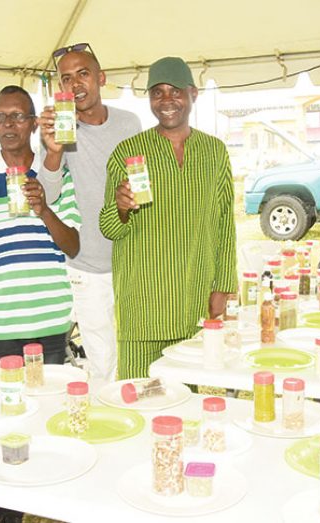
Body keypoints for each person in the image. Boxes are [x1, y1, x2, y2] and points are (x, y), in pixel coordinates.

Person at [99, 56, 237, 379]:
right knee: (136, 396)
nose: (166, 101)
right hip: (143, 305)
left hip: (194, 300)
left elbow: (224, 224)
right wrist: (120, 207)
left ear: (193, 94)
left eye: (175, 91)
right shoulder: (127, 152)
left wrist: (224, 287)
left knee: (185, 401)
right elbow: (107, 228)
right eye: (157, 93)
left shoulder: (214, 151)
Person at [35, 43, 141, 383]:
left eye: (83, 74)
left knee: (137, 353)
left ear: (101, 78)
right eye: (66, 79)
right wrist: (53, 151)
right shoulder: (60, 130)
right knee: (103, 362)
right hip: (88, 265)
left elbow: (140, 181)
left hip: (131, 258)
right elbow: (47, 195)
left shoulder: (129, 122)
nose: (75, 84)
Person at [0, 85, 80, 365]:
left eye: (18, 116)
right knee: (7, 403)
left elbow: (72, 246)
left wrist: (44, 209)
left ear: (35, 124)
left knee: (50, 401)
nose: (8, 124)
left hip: (50, 318)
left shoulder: (54, 173)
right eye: (0, 117)